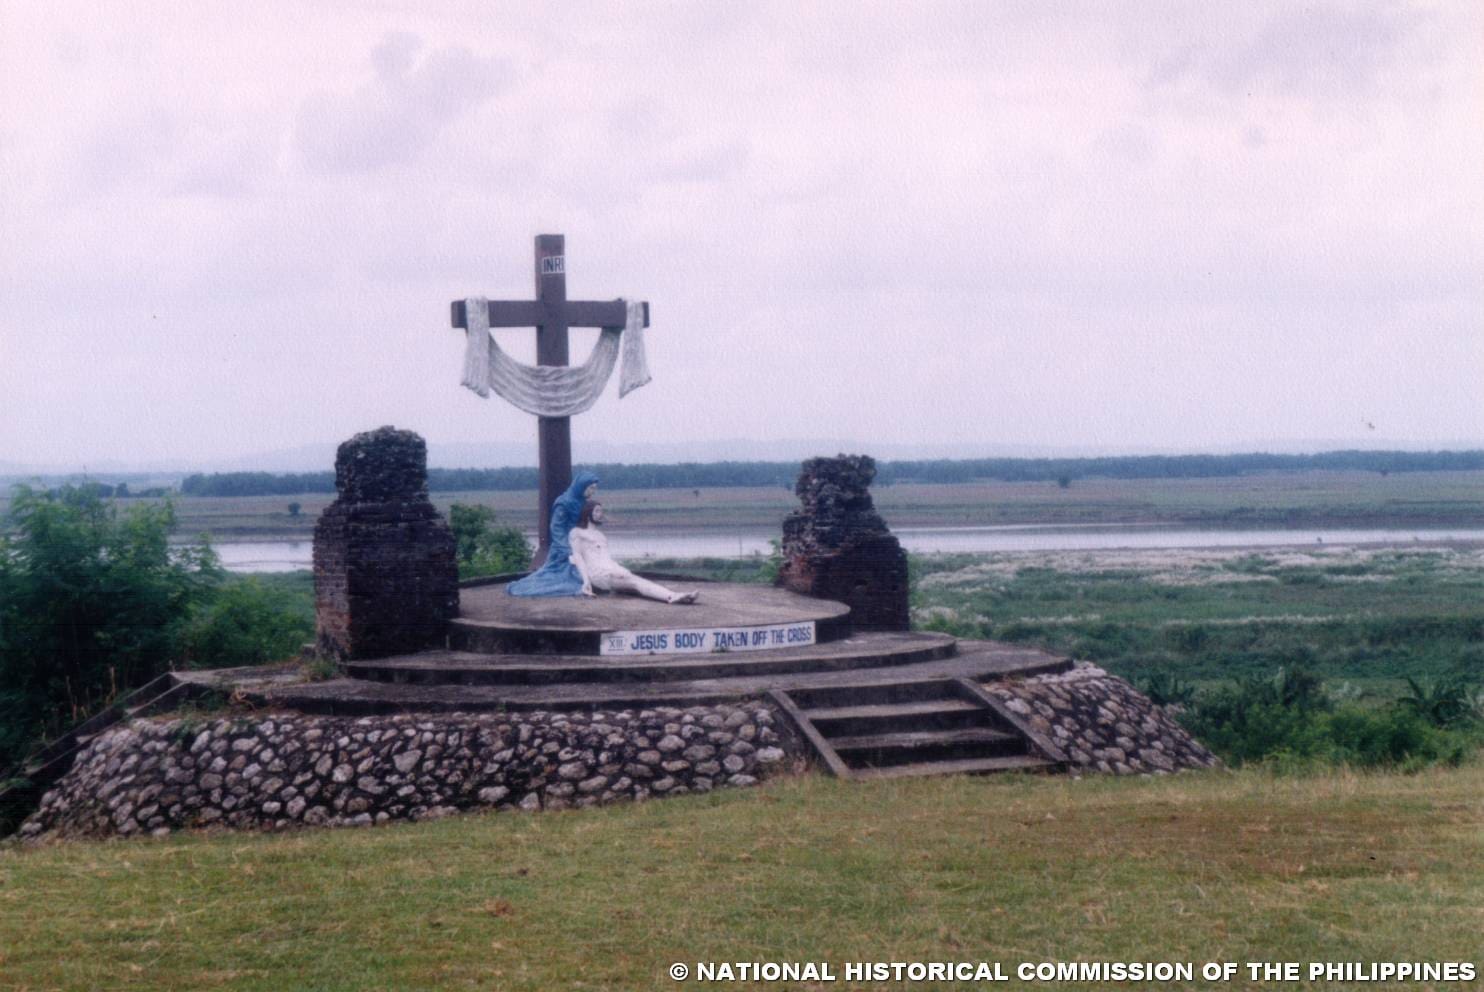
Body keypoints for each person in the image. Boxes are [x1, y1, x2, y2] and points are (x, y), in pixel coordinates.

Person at [569, 501, 698, 604]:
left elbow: (606, 559)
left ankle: (673, 596)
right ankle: (671, 596)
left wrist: (618, 570)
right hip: (597, 574)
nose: (600, 514)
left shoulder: (600, 535)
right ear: (587, 513)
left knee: (635, 582)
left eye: (601, 511)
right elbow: (578, 557)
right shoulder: (577, 533)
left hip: (609, 570)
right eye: (596, 511)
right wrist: (586, 581)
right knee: (635, 582)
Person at [507, 471, 599, 597]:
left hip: (580, 543)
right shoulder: (564, 502)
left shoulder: (583, 502)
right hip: (564, 548)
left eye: (594, 488)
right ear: (582, 486)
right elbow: (557, 529)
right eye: (591, 488)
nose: (593, 492)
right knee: (571, 579)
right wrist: (569, 550)